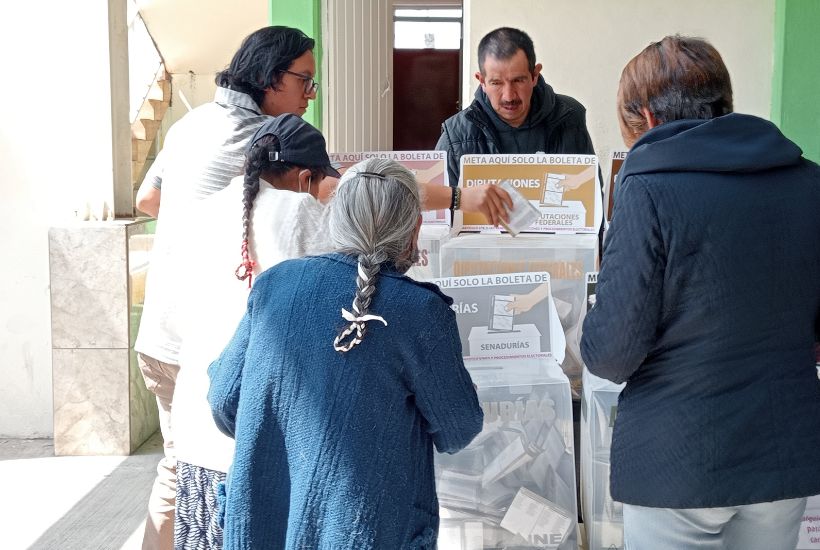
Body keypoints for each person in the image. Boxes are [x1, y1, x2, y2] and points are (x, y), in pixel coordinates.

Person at [581, 35, 820, 550]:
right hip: (781, 456)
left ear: (645, 116)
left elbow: (612, 353)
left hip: (678, 462)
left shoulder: (646, 190)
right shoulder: (809, 183)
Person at [208, 158, 483, 549]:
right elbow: (459, 427)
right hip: (369, 533)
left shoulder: (273, 284)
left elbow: (223, 401)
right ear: (414, 230)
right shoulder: (421, 312)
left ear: (334, 218)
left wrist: (292, 445)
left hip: (262, 528)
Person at [134, 25, 320, 550]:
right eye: (304, 81)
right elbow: (341, 196)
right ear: (268, 78)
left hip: (163, 328)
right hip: (194, 340)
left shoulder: (192, 126)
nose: (310, 95)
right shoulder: (253, 140)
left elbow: (150, 198)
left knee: (180, 467)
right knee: (197, 477)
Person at [170, 113, 339, 549]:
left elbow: (181, 315)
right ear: (306, 176)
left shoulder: (202, 211)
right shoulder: (304, 209)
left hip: (196, 429)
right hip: (262, 439)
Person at [435, 27, 596, 187]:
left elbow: (591, 194)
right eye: (496, 83)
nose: (509, 96)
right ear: (481, 80)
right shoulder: (455, 136)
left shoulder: (569, 117)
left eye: (518, 81)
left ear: (535, 75)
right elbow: (438, 209)